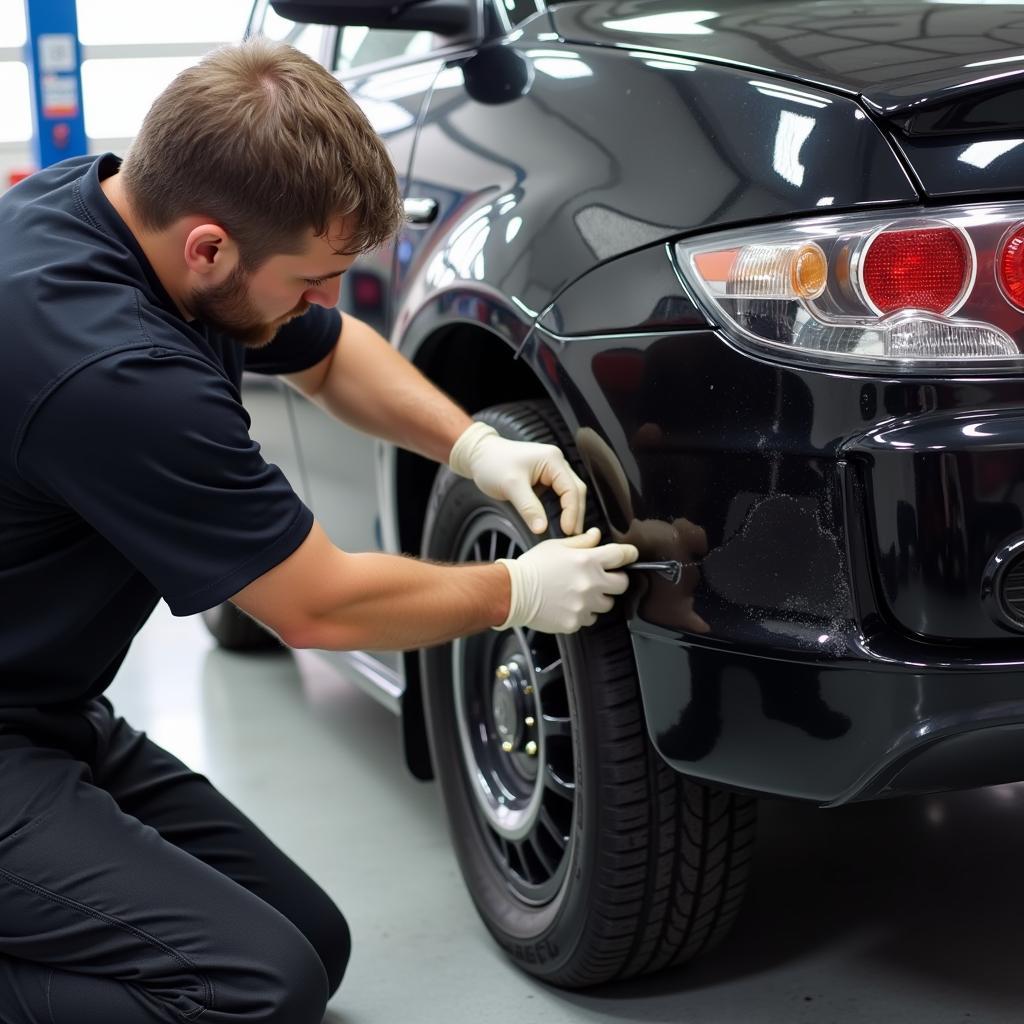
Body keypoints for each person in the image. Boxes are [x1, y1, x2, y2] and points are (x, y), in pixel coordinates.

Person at [0, 38, 637, 1024]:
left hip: (42, 707)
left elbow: (331, 356)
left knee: (311, 938)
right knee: (255, 987)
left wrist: (473, 447)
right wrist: (515, 592)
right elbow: (317, 603)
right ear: (209, 247)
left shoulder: (128, 209)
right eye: (311, 278)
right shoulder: (115, 375)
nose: (323, 300)